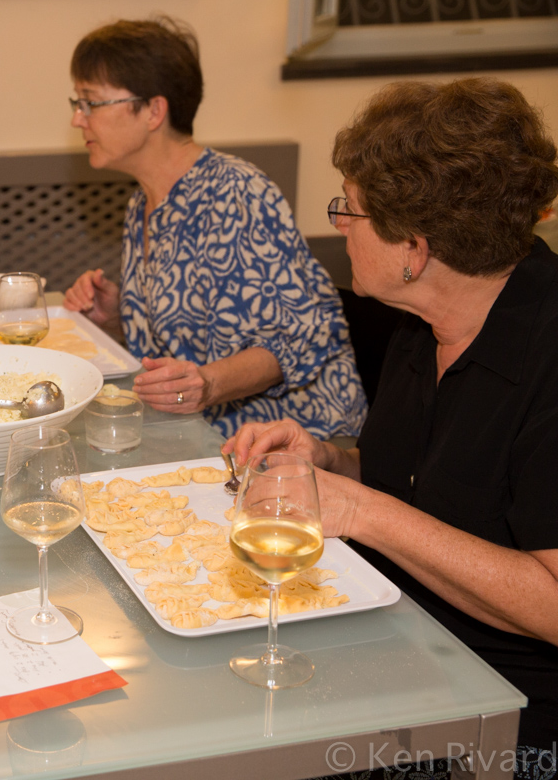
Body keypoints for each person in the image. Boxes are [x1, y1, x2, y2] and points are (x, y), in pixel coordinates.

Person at [228, 78, 558, 779]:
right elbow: (428, 478)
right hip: (394, 650)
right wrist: (328, 462)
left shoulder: (546, 356)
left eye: (348, 208)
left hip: (502, 728)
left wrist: (361, 512)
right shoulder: (423, 319)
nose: (338, 224)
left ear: (414, 245)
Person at [62, 18, 366, 440]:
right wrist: (117, 318)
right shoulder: (141, 204)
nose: (78, 119)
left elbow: (302, 336)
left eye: (91, 103)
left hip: (296, 438)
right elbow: (178, 346)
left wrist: (208, 384)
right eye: (77, 103)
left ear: (153, 111)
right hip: (205, 433)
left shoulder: (235, 192)